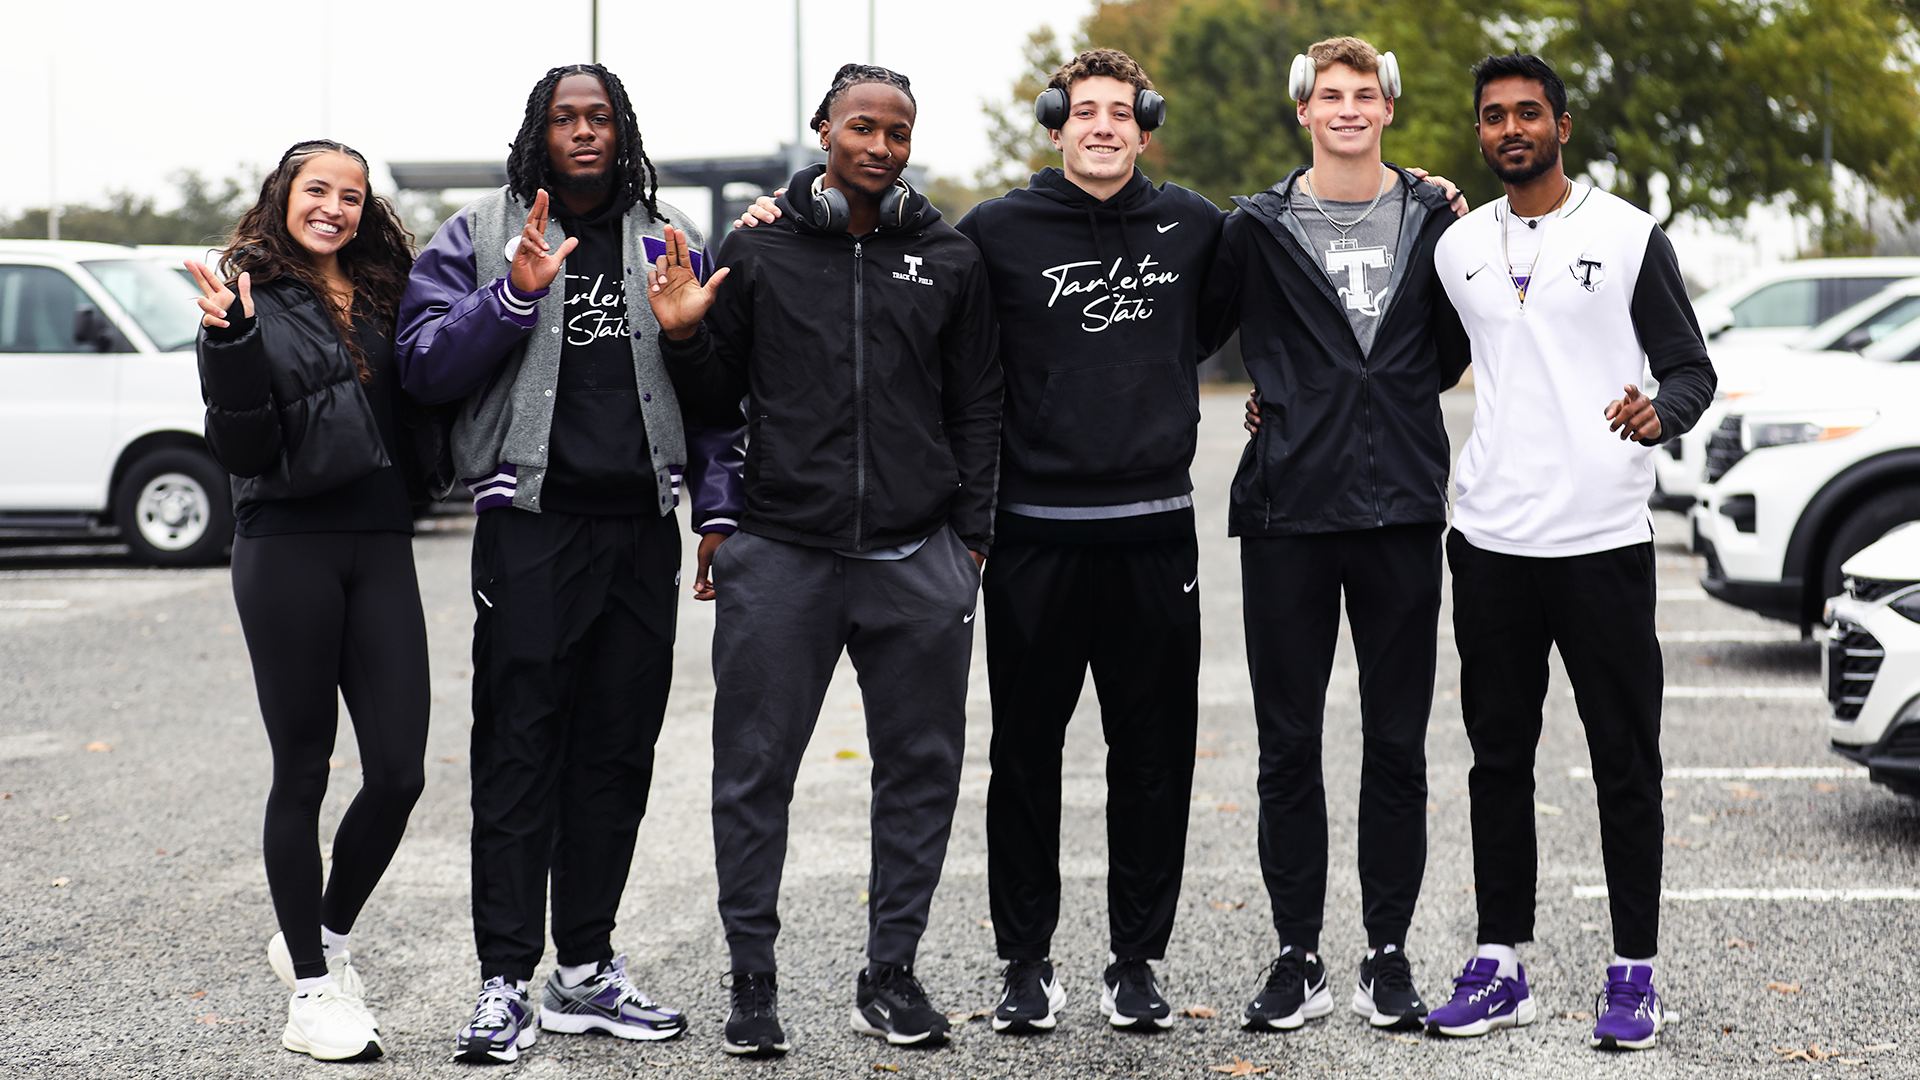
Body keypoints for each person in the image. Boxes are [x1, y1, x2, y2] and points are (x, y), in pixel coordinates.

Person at [395, 63, 743, 1065]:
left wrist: (716, 508)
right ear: (538, 131)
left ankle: (583, 972)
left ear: (621, 128)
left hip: (640, 530)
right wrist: (509, 294)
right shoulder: (478, 231)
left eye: (600, 117)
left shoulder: (667, 235)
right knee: (518, 754)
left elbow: (719, 399)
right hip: (531, 529)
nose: (584, 132)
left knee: (614, 757)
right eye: (565, 117)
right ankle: (502, 982)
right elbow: (422, 368)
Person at [650, 63, 1001, 1057]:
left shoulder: (949, 257)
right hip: (784, 556)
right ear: (823, 129)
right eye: (861, 127)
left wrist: (969, 542)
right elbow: (717, 398)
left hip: (916, 559)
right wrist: (682, 337)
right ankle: (752, 984)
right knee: (752, 773)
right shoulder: (757, 252)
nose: (879, 147)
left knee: (921, 774)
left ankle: (890, 977)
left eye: (897, 132)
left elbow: (977, 406)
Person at [1421, 52, 1714, 1052]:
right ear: (1479, 132)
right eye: (1495, 116)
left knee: (1623, 760)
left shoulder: (1629, 236)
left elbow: (1689, 367)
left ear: (1563, 124)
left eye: (1529, 114)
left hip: (1600, 539)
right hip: (1492, 536)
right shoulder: (1457, 247)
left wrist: (1658, 412)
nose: (1513, 129)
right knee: (1497, 759)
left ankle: (1635, 971)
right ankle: (1500, 961)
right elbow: (1411, 362)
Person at [954, 48, 1234, 1034]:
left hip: (1156, 536)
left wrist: (1421, 195)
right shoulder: (996, 231)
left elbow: (1279, 277)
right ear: (1056, 123)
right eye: (1086, 112)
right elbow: (928, 316)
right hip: (1034, 538)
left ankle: (1135, 962)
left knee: (1151, 756)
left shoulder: (1195, 227)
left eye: (1122, 112)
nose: (1104, 127)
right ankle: (1024, 964)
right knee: (1024, 756)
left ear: (1144, 125)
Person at [1214, 36, 1472, 1034]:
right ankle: (1296, 954)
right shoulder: (1256, 228)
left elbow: (1451, 350)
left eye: (1366, 94)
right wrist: (1288, 404)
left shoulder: (1437, 218)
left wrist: (1379, 404)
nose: (1350, 108)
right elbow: (1188, 329)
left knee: (1395, 744)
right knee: (1289, 744)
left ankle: (1389, 953)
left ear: (1389, 109)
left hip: (1401, 508)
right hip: (1288, 512)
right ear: (1304, 111)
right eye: (1332, 94)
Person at [190, 139, 436, 1063]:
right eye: (316, 190)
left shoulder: (386, 287)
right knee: (302, 772)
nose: (333, 206)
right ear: (282, 197)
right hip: (286, 547)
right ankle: (311, 992)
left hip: (380, 544)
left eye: (351, 194)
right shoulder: (246, 293)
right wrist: (229, 343)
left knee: (401, 772)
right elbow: (244, 449)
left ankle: (325, 938)